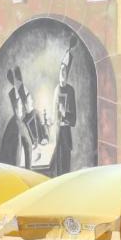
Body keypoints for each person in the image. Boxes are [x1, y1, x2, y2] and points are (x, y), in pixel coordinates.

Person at [49, 39, 77, 177]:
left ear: (67, 74)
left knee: (66, 167)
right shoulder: (55, 90)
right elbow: (54, 116)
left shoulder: (70, 90)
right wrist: (54, 119)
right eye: (61, 71)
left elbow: (73, 118)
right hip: (57, 135)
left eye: (65, 71)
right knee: (58, 168)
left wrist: (65, 115)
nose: (62, 73)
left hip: (66, 135)